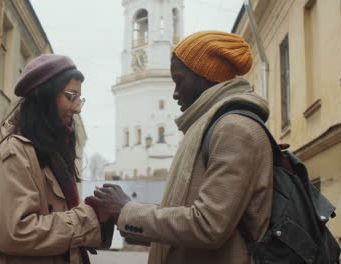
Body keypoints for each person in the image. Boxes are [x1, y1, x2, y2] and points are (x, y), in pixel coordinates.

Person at [86, 31, 273, 264]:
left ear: (206, 76)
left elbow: (208, 225)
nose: (175, 93)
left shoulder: (234, 129)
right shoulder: (212, 126)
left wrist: (127, 209)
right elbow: (185, 220)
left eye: (179, 80)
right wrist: (120, 215)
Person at [0, 54, 113, 264]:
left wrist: (101, 218)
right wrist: (89, 216)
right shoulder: (17, 152)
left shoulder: (53, 155)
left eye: (80, 99)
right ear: (43, 96)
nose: (77, 108)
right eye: (71, 96)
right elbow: (15, 232)